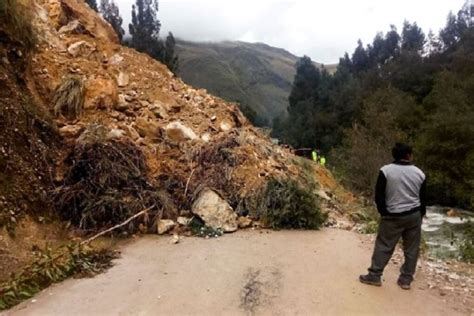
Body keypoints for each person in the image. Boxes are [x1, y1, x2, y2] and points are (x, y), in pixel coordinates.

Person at [359, 143, 426, 290]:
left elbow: (379, 195)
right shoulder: (420, 173)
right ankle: (406, 280)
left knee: (384, 245)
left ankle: (375, 276)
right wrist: (421, 214)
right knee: (411, 249)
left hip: (392, 215)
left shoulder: (386, 171)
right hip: (413, 215)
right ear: (409, 155)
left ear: (394, 155)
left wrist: (384, 212)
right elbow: (423, 198)